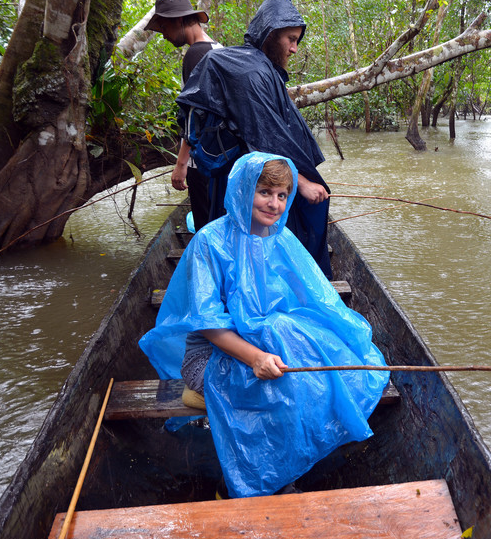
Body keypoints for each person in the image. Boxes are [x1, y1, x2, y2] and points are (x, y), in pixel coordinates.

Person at [138, 151, 390, 499]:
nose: (274, 204)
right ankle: (260, 480)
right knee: (280, 365)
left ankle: (285, 464)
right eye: (265, 192)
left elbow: (315, 299)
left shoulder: (281, 238)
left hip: (273, 344)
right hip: (211, 355)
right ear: (243, 190)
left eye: (282, 195)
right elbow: (209, 325)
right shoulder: (210, 242)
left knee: (300, 342)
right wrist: (256, 357)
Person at [177, 0, 333, 278]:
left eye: (297, 41)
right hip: (241, 186)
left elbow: (273, 131)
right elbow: (264, 138)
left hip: (245, 183)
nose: (295, 49)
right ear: (271, 34)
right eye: (291, 39)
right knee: (244, 257)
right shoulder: (250, 72)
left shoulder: (257, 67)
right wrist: (303, 183)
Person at [145, 0, 222, 232]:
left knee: (205, 228)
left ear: (179, 21)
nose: (165, 35)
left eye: (165, 27)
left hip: (203, 161)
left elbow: (195, 114)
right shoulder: (217, 48)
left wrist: (181, 164)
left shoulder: (195, 54)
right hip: (221, 157)